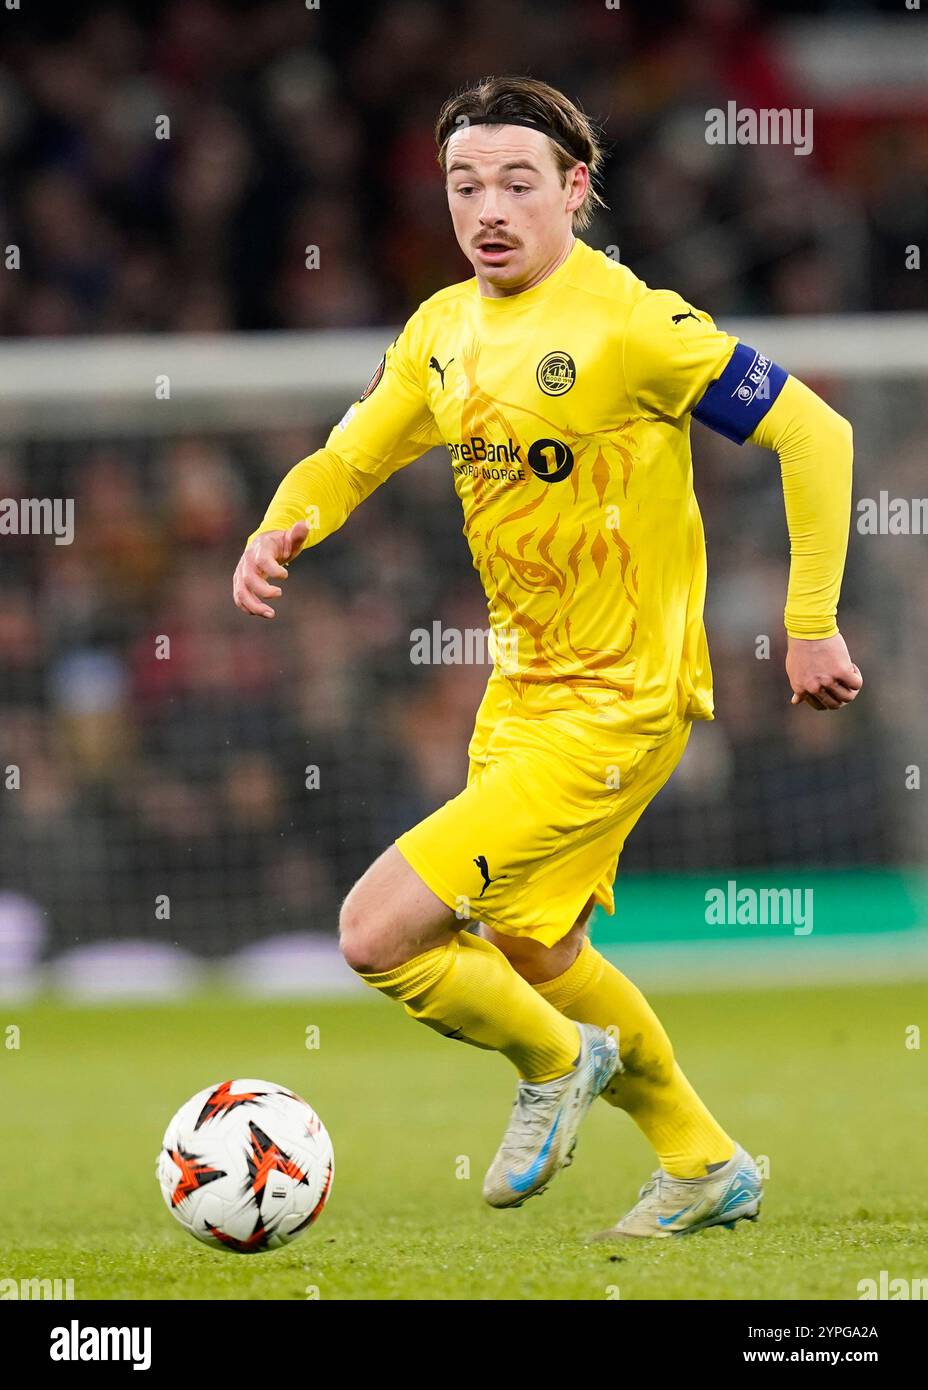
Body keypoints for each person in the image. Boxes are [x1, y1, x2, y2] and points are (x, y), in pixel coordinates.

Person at [233, 76, 862, 1238]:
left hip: (622, 703)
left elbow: (814, 432)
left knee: (377, 934)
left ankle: (555, 1062)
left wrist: (810, 616)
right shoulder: (441, 332)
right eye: (466, 184)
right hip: (521, 692)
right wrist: (285, 519)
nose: (490, 207)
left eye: (520, 182)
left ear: (575, 189)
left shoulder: (631, 324)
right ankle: (703, 1159)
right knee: (534, 943)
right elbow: (347, 457)